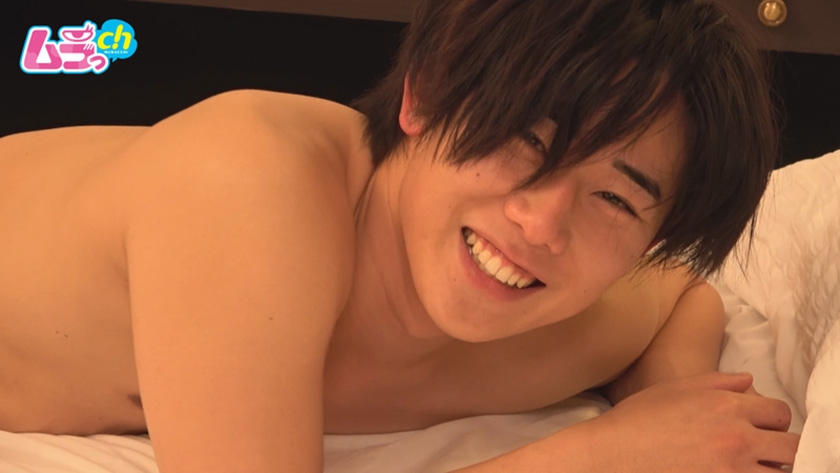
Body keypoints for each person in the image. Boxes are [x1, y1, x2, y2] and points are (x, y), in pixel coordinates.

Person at [0, 0, 799, 471]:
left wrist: (670, 405)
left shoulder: (569, 323)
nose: (542, 223)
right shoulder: (247, 183)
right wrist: (603, 453)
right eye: (528, 140)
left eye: (616, 199)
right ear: (423, 97)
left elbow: (685, 296)